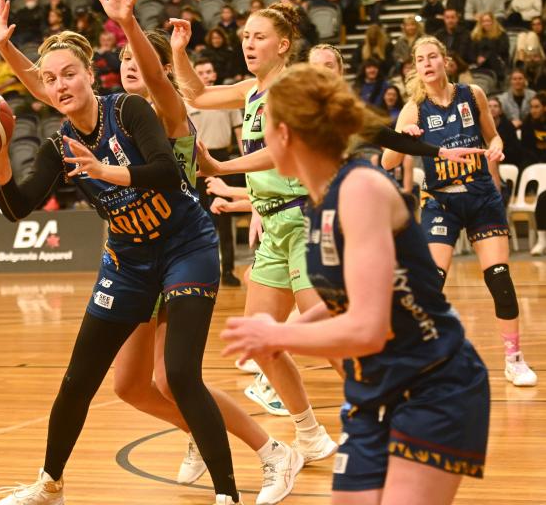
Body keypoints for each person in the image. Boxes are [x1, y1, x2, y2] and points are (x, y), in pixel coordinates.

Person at [0, 0, 303, 503]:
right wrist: (1, 101)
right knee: (125, 384)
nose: (132, 66)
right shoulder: (70, 124)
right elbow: (49, 87)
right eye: (126, 58)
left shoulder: (154, 107)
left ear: (97, 71)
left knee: (176, 375)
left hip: (182, 246)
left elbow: (159, 155)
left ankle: (257, 460)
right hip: (129, 257)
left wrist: (127, 23)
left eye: (138, 59)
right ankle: (54, 481)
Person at [219, 62, 491, 505]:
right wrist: (287, 329)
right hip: (373, 390)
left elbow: (366, 325)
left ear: (284, 135)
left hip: (433, 384)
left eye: (262, 131)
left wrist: (278, 333)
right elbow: (350, 298)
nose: (256, 142)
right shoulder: (316, 200)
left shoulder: (360, 189)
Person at [171, 2, 340, 458]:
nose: (248, 43)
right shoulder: (252, 89)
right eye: (245, 35)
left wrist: (222, 166)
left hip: (304, 220)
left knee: (332, 343)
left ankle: (384, 421)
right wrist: (179, 50)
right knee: (262, 341)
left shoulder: (291, 88)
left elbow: (280, 153)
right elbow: (197, 95)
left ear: (283, 46)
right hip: (274, 226)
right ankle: (310, 434)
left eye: (259, 36)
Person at [382, 36, 537, 387]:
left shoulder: (472, 95)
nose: (426, 63)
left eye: (432, 56)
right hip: (441, 202)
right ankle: (428, 362)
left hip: (481, 197)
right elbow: (387, 160)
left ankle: (513, 360)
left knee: (499, 278)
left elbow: (493, 137)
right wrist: (404, 137)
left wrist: (496, 149)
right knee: (431, 285)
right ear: (416, 68)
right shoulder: (413, 108)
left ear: (445, 60)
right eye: (420, 58)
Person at [190, 57, 244, 286]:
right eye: (200, 71)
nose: (205, 75)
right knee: (198, 218)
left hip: (222, 158)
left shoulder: (227, 99)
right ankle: (201, 270)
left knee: (224, 216)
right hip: (196, 161)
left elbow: (240, 131)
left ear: (214, 74)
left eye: (208, 71)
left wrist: (246, 159)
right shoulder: (188, 101)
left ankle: (228, 270)